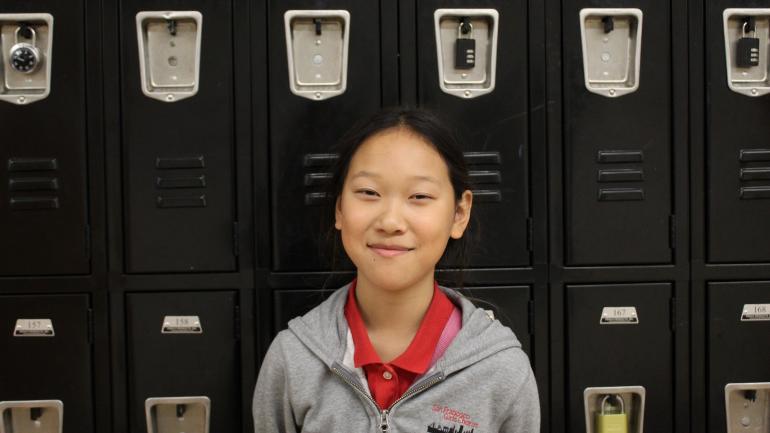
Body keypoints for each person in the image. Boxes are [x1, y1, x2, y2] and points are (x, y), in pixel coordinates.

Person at [253, 108, 540, 432]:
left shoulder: (501, 368)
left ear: (460, 213)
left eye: (419, 196)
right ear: (339, 209)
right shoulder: (292, 359)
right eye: (368, 193)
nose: (390, 222)